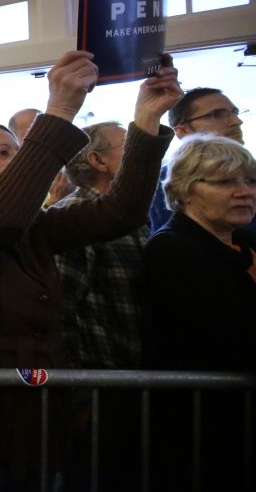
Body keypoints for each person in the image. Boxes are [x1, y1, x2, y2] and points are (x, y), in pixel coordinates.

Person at [0, 51, 180, 489]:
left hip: (40, 422)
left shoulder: (32, 227)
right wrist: (59, 109)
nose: (17, 163)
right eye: (3, 154)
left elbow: (121, 212)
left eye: (19, 154)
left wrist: (146, 120)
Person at [142, 133, 256, 490]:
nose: (244, 191)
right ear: (185, 190)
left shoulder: (245, 244)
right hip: (206, 427)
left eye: (250, 181)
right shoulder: (172, 250)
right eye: (224, 182)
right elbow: (231, 340)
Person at [53, 121, 150, 491]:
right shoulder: (76, 216)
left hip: (133, 384)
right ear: (98, 160)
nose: (139, 156)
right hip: (101, 389)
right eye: (128, 146)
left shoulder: (129, 213)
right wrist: (79, 398)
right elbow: (62, 313)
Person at [148, 87, 251, 233]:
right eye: (217, 114)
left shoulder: (249, 170)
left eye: (234, 112)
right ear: (182, 131)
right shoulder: (165, 180)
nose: (236, 121)